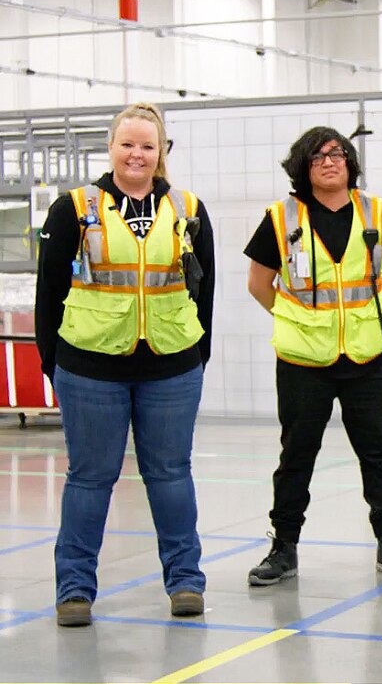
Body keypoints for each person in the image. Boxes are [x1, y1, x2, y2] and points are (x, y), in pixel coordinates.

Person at [35, 103, 215, 627]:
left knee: (171, 474)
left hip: (172, 367)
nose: (137, 154)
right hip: (90, 368)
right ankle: (74, 591)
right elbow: (50, 292)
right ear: (111, 147)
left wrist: (195, 357)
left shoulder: (188, 209)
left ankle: (185, 582)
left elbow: (205, 293)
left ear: (162, 153)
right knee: (91, 477)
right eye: (127, 144)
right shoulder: (74, 208)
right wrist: (55, 364)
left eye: (148, 146)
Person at [243, 126, 382, 585]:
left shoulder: (376, 212)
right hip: (304, 361)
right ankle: (283, 548)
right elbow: (259, 284)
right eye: (318, 156)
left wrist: (356, 317)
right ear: (302, 168)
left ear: (349, 161)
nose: (330, 161)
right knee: (296, 455)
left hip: (366, 358)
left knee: (376, 453)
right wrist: (300, 319)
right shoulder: (281, 218)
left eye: (338, 153)